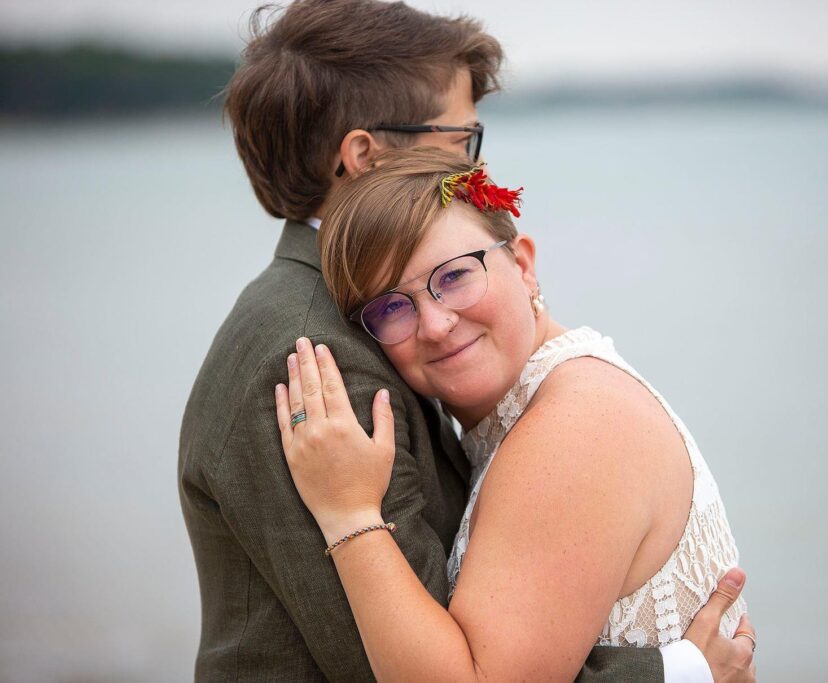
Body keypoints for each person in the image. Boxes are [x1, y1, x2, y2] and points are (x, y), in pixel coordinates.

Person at [179, 0, 755, 680]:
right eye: (461, 142)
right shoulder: (312, 353)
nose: (473, 169)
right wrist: (679, 670)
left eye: (454, 276)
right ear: (366, 156)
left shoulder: (354, 321)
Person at [273, 148, 755, 681]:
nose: (434, 325)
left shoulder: (576, 426)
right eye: (391, 307)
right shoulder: (532, 407)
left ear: (522, 265)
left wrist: (349, 512)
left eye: (454, 277)